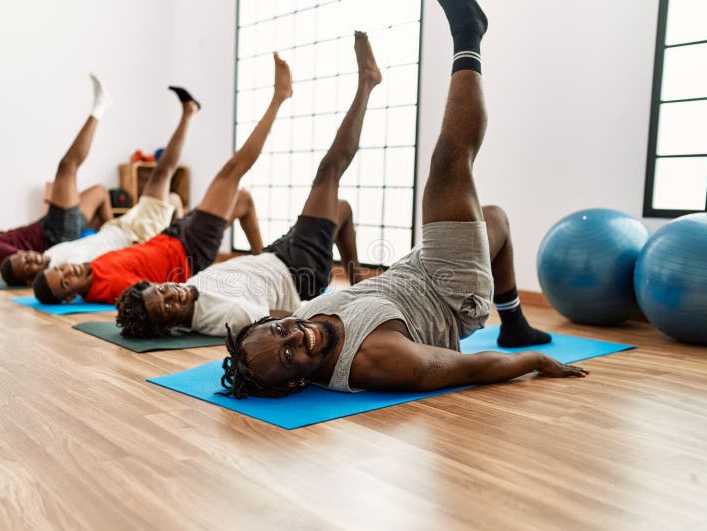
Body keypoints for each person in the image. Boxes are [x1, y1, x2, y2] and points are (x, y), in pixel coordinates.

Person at [220, 0, 588, 400]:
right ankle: (469, 34)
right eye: (289, 354)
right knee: (449, 165)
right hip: (451, 293)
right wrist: (535, 362)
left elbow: (265, 321)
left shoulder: (295, 321)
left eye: (280, 331)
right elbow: (465, 367)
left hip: (414, 268)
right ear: (296, 381)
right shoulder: (375, 360)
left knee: (494, 218)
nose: (295, 336)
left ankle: (515, 323)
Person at [113, 32, 379, 338]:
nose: (176, 294)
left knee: (340, 210)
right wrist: (338, 320)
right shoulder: (225, 316)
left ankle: (359, 288)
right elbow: (286, 317)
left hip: (274, 258)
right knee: (327, 174)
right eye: (169, 306)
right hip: (296, 272)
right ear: (170, 325)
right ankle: (368, 82)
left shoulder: (189, 291)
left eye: (164, 291)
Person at [32, 53, 292, 305]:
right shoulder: (107, 286)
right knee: (231, 172)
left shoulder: (91, 267)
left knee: (243, 199)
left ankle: (265, 267)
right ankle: (279, 98)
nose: (69, 272)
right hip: (187, 251)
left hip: (171, 237)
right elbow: (154, 295)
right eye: (65, 282)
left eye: (62, 270)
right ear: (69, 297)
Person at [0, 85, 202, 286]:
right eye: (27, 265)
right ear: (29, 279)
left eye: (24, 256)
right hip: (136, 236)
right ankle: (189, 112)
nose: (30, 258)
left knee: (172, 197)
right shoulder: (63, 271)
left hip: (118, 227)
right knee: (161, 174)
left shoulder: (49, 254)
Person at [0, 74, 114, 271]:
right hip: (54, 233)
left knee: (100, 191)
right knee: (66, 168)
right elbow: (20, 260)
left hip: (50, 226)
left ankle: (114, 240)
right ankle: (99, 108)